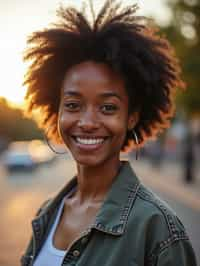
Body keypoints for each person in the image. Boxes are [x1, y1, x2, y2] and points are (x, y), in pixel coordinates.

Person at [20, 1, 197, 265]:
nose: (88, 122)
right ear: (56, 111)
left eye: (107, 107)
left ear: (131, 117)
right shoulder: (47, 213)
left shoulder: (158, 229)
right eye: (73, 105)